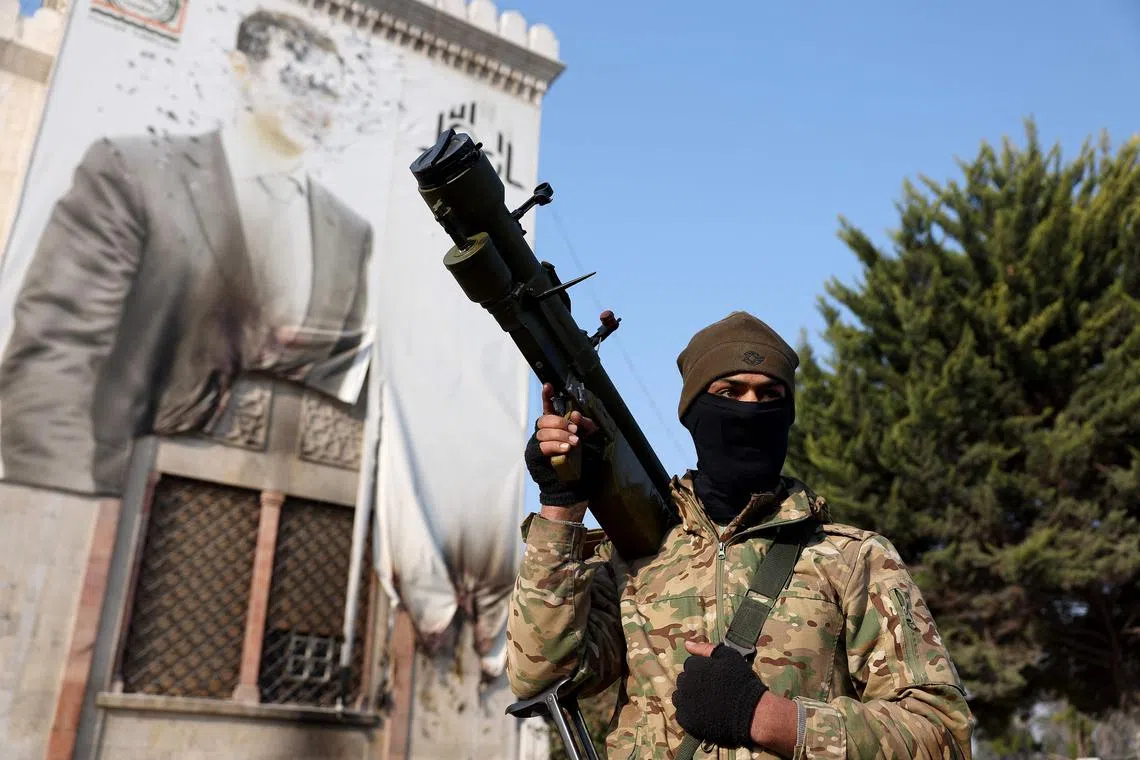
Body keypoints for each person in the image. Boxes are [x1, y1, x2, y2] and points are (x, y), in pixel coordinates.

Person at [508, 312, 973, 759]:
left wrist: (767, 717)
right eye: (729, 392)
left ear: (787, 415)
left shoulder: (854, 559)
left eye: (769, 395)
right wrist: (562, 502)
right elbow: (538, 676)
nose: (750, 408)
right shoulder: (634, 553)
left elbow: (942, 736)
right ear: (693, 412)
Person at [0, 9, 371, 495]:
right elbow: (53, 356)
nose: (312, 103)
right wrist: (65, 501)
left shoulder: (349, 234)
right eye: (296, 80)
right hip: (115, 475)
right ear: (243, 71)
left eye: (326, 89)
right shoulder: (135, 174)